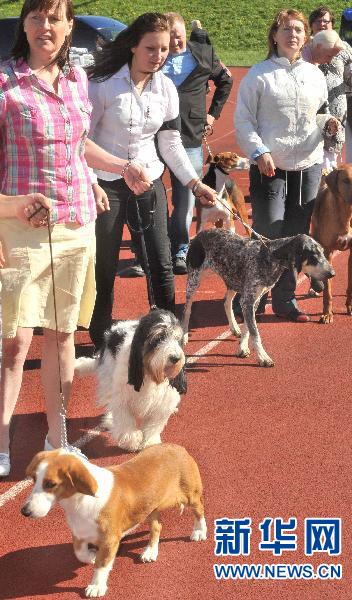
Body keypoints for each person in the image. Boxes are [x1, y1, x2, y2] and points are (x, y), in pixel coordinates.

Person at [0, 0, 154, 478]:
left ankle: (58, 438)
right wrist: (13, 203)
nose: (45, 26)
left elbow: (75, 144)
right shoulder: (5, 83)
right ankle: (2, 437)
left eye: (55, 18)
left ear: (70, 27)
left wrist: (111, 169)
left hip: (76, 227)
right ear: (24, 25)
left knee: (64, 336)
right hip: (19, 229)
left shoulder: (76, 81)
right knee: (14, 342)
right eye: (36, 17)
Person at [86, 13, 217, 349]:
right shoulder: (101, 84)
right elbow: (82, 140)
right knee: (105, 263)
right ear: (133, 45)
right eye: (150, 48)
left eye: (163, 50)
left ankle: (166, 334)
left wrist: (193, 183)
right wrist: (93, 183)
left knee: (161, 262)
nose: (158, 56)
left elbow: (170, 142)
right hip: (107, 183)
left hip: (150, 180)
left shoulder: (166, 88)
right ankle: (100, 333)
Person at [234, 8, 340, 323]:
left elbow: (320, 112)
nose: (292, 34)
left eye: (297, 29)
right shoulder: (258, 75)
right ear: (274, 36)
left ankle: (284, 299)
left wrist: (329, 122)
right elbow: (243, 120)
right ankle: (251, 294)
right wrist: (259, 151)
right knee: (267, 232)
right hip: (270, 164)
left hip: (307, 164)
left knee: (296, 236)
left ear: (305, 36)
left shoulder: (315, 74)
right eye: (285, 29)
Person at [162, 12, 233, 274]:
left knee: (186, 198)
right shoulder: (154, 56)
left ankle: (181, 249)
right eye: (169, 40)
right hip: (154, 137)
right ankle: (149, 250)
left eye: (178, 38)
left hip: (190, 136)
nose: (175, 45)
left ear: (184, 33)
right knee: (150, 197)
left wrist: (212, 114)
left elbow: (226, 80)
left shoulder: (202, 53)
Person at [305, 6, 352, 171]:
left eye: (326, 21)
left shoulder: (344, 48)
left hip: (336, 108)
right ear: (311, 24)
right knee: (308, 152)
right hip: (308, 108)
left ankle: (327, 191)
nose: (322, 24)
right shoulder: (303, 46)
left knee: (330, 157)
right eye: (318, 21)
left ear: (332, 24)